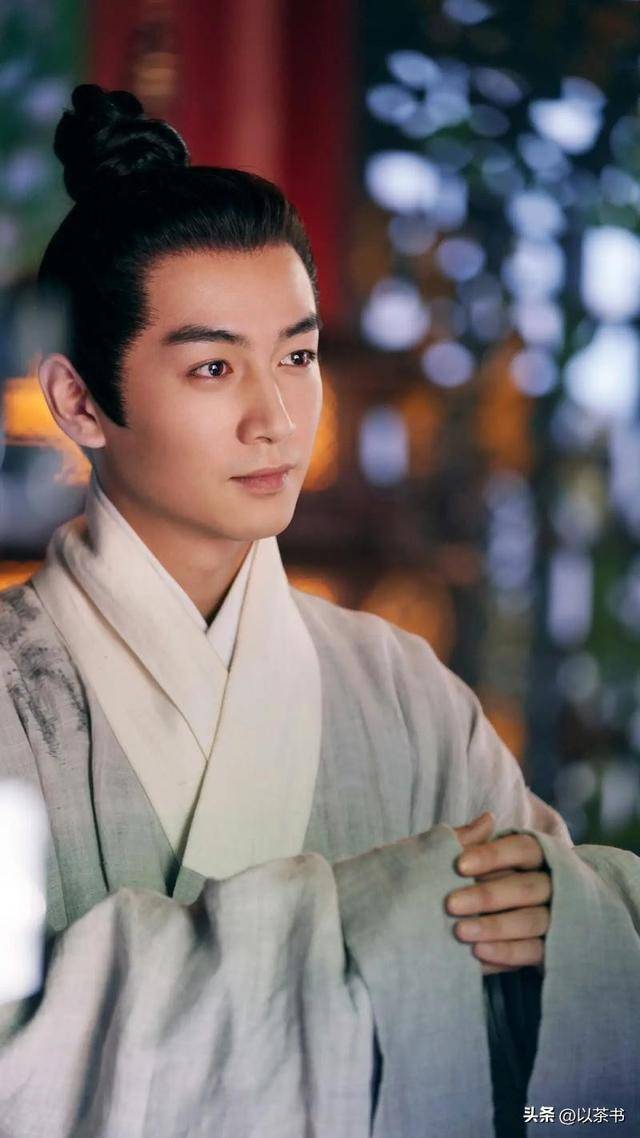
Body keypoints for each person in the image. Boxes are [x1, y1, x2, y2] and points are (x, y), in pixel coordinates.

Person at [0, 84, 637, 1138]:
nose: (278, 418)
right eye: (214, 366)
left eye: (297, 356)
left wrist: (572, 916)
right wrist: (382, 919)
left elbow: (560, 955)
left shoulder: (400, 689)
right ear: (78, 400)